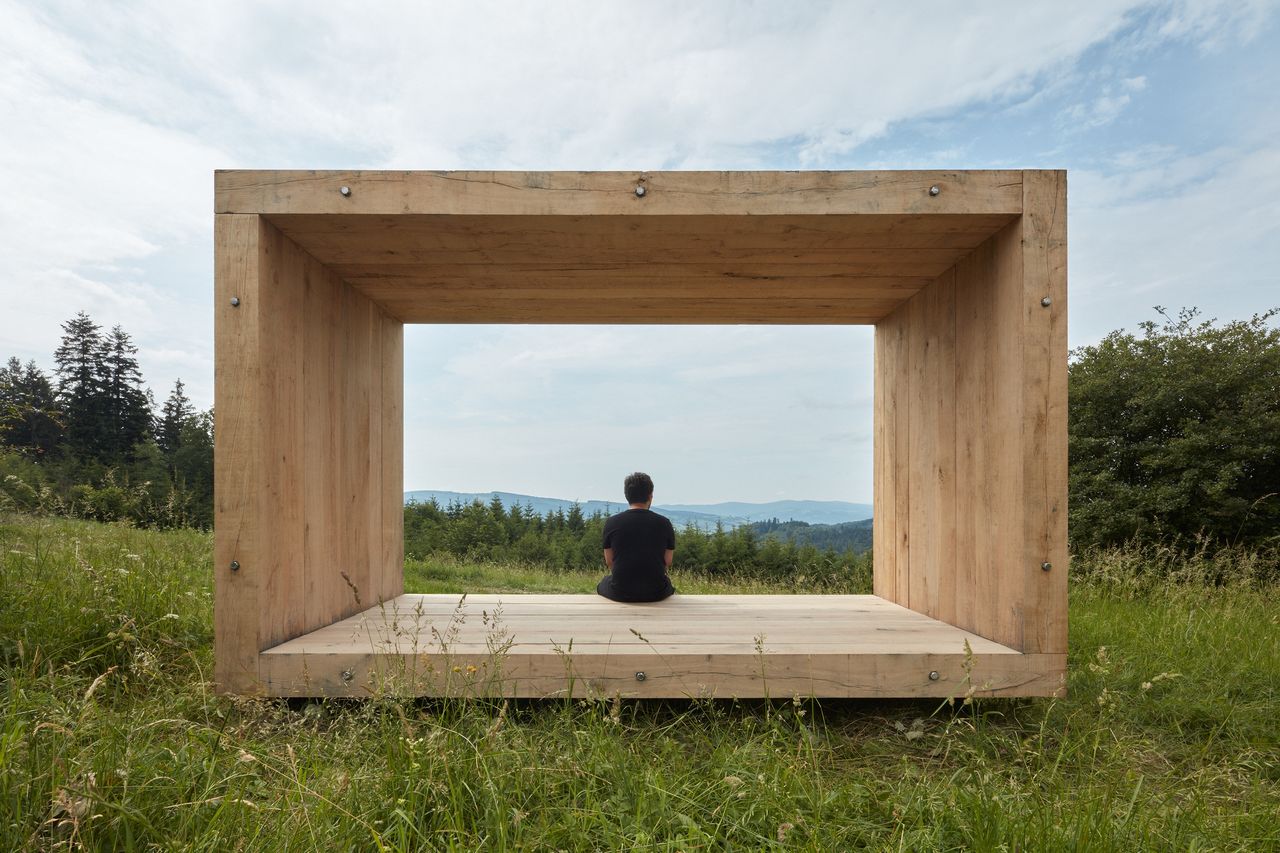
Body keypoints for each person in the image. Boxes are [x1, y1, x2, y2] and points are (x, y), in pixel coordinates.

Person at [596, 471, 676, 602]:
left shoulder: (612, 522)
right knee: (667, 582)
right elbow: (667, 561)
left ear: (627, 496)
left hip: (620, 591)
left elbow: (609, 562)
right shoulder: (664, 523)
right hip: (656, 592)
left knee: (604, 582)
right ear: (650, 496)